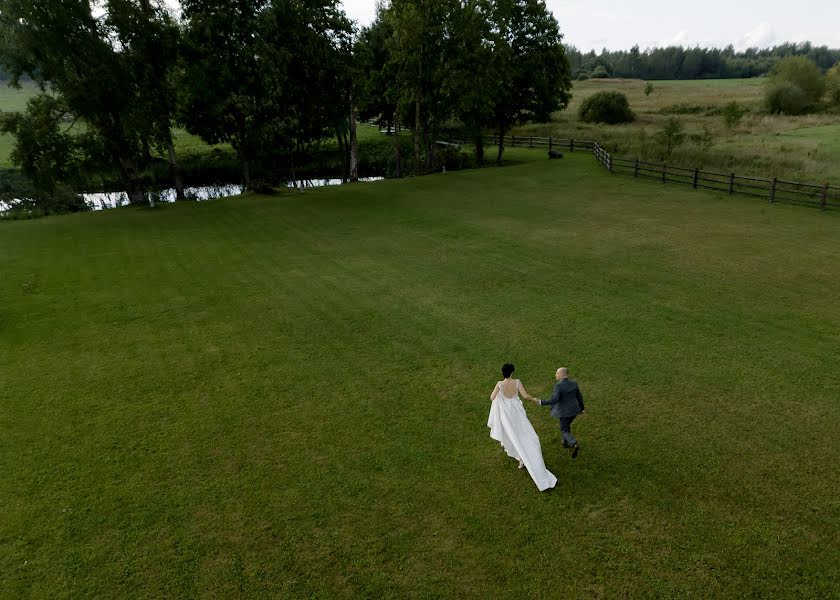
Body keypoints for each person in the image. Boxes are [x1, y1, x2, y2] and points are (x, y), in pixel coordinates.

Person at [487, 363, 557, 491]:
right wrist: (535, 400)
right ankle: (523, 457)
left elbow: (492, 397)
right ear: (512, 372)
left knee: (511, 435)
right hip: (516, 412)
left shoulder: (499, 384)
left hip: (506, 415)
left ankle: (520, 458)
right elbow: (525, 396)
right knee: (523, 432)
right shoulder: (517, 382)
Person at [539, 367, 585, 459]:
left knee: (564, 430)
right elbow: (579, 397)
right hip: (574, 411)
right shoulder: (574, 383)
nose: (555, 375)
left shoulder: (558, 386)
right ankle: (564, 442)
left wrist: (541, 402)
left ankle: (574, 443)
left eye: (556, 373)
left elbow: (554, 400)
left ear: (561, 375)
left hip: (564, 413)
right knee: (566, 425)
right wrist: (581, 408)